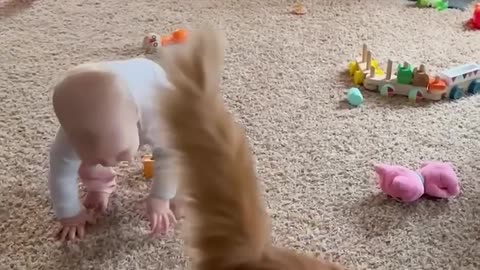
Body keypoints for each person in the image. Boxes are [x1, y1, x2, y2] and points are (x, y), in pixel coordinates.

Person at [48, 57, 178, 241]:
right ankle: (99, 184)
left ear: (136, 118)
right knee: (84, 159)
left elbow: (171, 156)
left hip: (150, 76)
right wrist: (69, 213)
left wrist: (161, 197)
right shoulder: (69, 140)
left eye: (122, 153)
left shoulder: (156, 117)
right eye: (100, 160)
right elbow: (60, 175)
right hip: (102, 91)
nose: (112, 163)